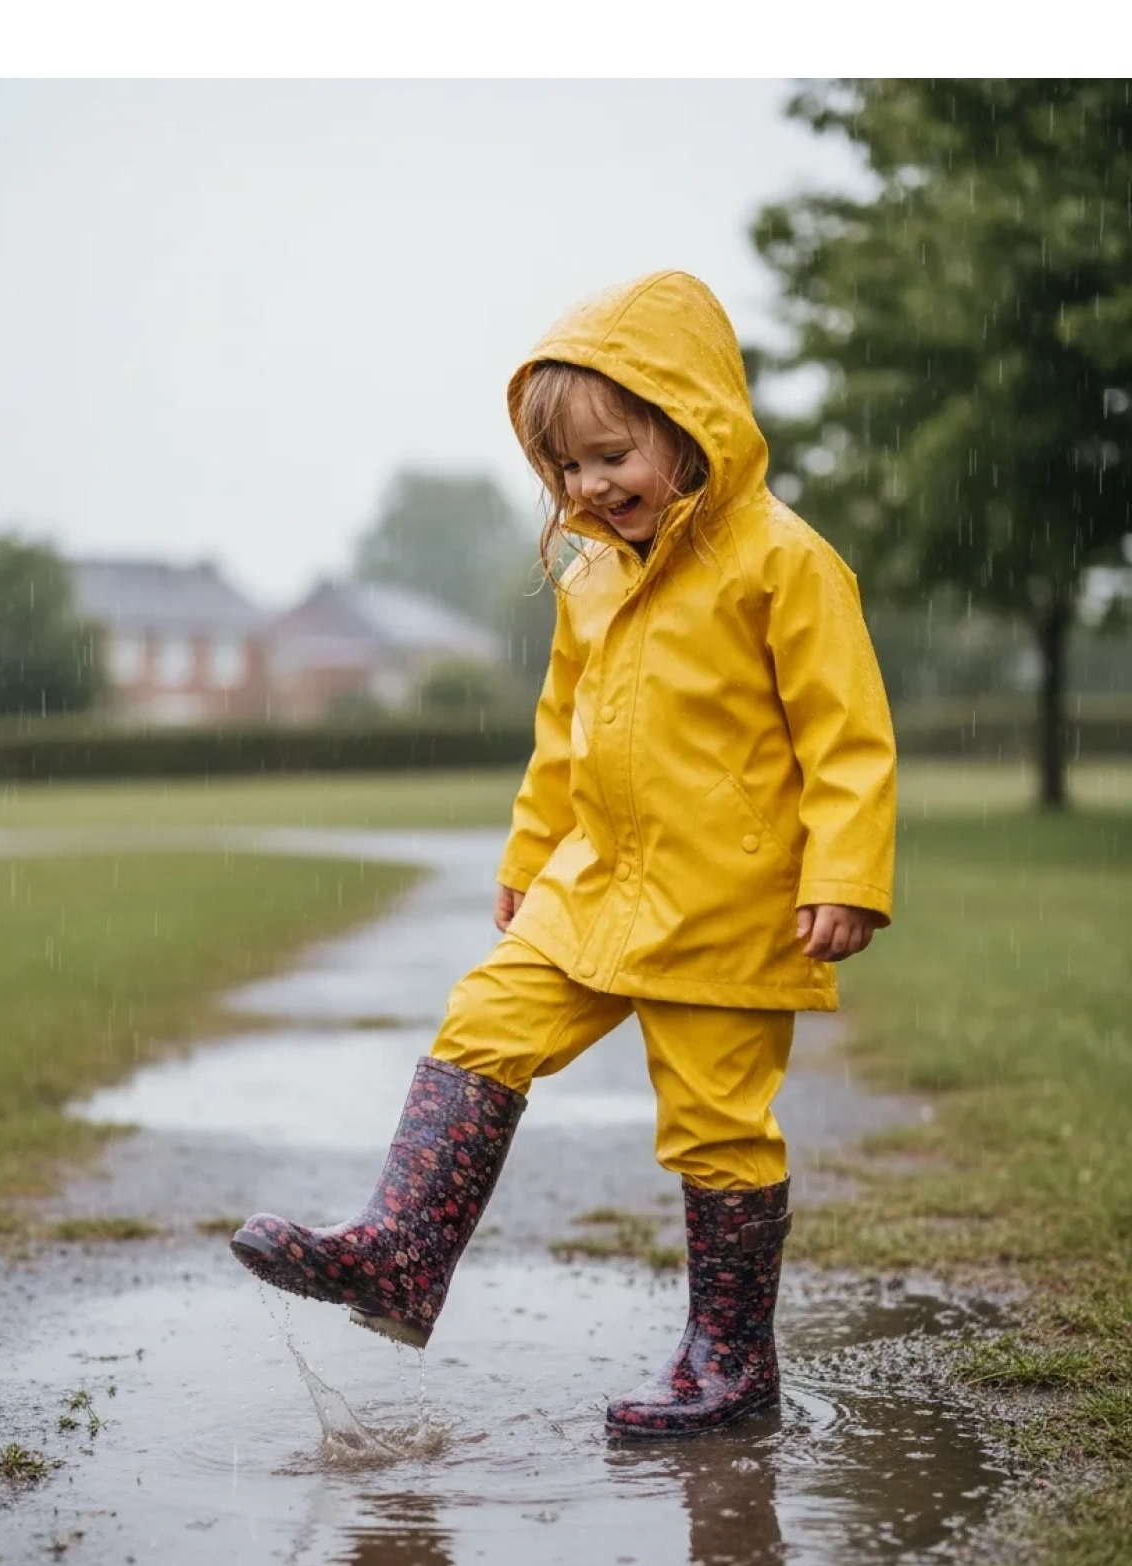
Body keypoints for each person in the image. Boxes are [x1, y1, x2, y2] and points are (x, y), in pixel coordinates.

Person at [231, 270, 897, 1439]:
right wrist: (533, 853)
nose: (591, 488)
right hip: (593, 888)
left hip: (731, 902)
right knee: (485, 1020)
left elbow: (847, 733)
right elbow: (563, 733)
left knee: (716, 1124)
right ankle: (400, 1255)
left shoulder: (782, 561)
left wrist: (846, 872)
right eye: (567, 470)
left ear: (688, 425)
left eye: (612, 456)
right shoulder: (591, 579)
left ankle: (731, 1364)